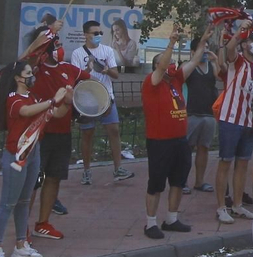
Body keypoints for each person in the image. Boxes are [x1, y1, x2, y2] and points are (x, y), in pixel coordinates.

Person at [0, 59, 65, 257]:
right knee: (7, 203)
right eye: (28, 73)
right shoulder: (13, 99)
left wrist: (65, 100)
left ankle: (21, 244)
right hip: (16, 155)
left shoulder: (32, 96)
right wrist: (52, 101)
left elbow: (53, 113)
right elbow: (26, 112)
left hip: (33, 151)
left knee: (23, 200)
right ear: (18, 78)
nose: (32, 76)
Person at [141, 29, 205, 238]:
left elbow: (194, 61)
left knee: (178, 180)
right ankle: (150, 223)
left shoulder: (176, 81)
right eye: (166, 62)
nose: (171, 65)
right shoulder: (152, 83)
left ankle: (171, 219)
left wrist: (203, 40)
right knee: (157, 183)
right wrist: (170, 44)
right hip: (160, 142)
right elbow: (161, 65)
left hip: (179, 140)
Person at [25, 23, 87, 239]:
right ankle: (22, 225)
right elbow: (29, 55)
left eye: (60, 43)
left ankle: (42, 223)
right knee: (33, 181)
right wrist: (48, 31)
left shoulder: (69, 69)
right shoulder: (34, 69)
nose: (60, 47)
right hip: (39, 133)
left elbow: (91, 85)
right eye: (55, 43)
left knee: (53, 178)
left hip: (62, 133)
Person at [69, 20, 131, 184]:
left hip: (106, 97)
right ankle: (87, 170)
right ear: (86, 35)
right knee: (87, 134)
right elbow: (74, 77)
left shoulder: (107, 50)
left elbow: (116, 74)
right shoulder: (77, 53)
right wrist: (88, 69)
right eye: (95, 33)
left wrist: (106, 69)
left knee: (114, 130)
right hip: (86, 100)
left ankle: (118, 168)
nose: (98, 36)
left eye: (100, 33)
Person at [214, 21, 253, 224]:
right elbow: (229, 49)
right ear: (245, 44)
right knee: (226, 162)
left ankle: (237, 204)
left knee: (243, 163)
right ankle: (220, 207)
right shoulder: (238, 61)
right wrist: (240, 32)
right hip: (230, 119)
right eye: (252, 40)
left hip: (247, 121)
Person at [184, 32, 218, 195]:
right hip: (192, 113)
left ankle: (199, 181)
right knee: (186, 148)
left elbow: (221, 74)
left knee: (203, 148)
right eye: (201, 50)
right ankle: (182, 181)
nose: (204, 52)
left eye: (206, 49)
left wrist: (216, 60)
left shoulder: (211, 66)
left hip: (209, 114)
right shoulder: (188, 66)